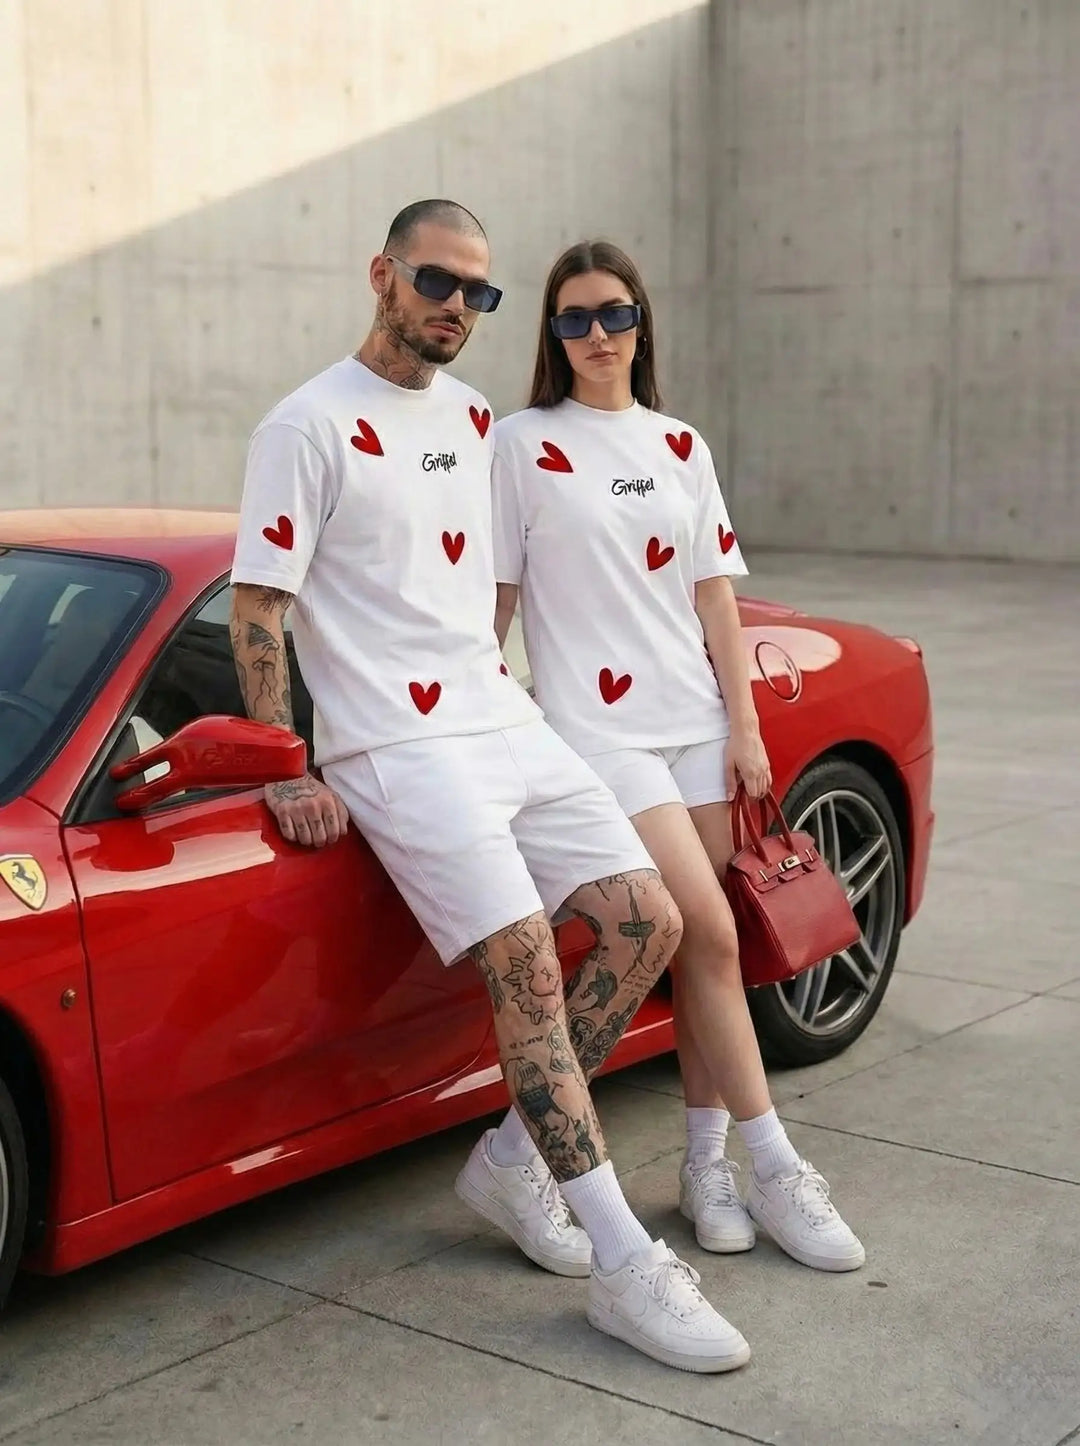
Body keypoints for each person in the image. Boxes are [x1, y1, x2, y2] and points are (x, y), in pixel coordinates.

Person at [228, 201, 751, 1373]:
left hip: (499, 714)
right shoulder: (303, 425)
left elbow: (507, 580)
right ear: (382, 275)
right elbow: (259, 602)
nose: (456, 306)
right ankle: (626, 1262)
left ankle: (516, 1164)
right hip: (394, 747)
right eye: (436, 281)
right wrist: (283, 761)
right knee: (522, 953)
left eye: (478, 291)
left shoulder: (475, 419)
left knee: (649, 922)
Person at [488, 239, 865, 1275]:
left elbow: (714, 596)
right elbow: (501, 597)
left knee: (720, 945)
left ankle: (705, 1172)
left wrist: (744, 726)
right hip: (597, 727)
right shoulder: (518, 443)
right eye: (573, 318)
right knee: (699, 925)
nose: (596, 334)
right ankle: (776, 1162)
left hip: (695, 714)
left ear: (641, 320)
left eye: (612, 313)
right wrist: (478, 702)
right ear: (552, 334)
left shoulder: (682, 444)